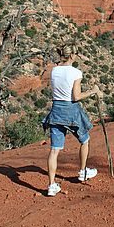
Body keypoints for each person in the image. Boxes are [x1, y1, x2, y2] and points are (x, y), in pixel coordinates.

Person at [42, 44, 101, 196]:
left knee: (54, 150)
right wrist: (93, 91)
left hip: (56, 111)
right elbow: (76, 97)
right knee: (85, 140)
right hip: (71, 110)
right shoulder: (76, 72)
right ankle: (82, 172)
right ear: (72, 55)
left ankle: (51, 186)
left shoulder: (54, 70)